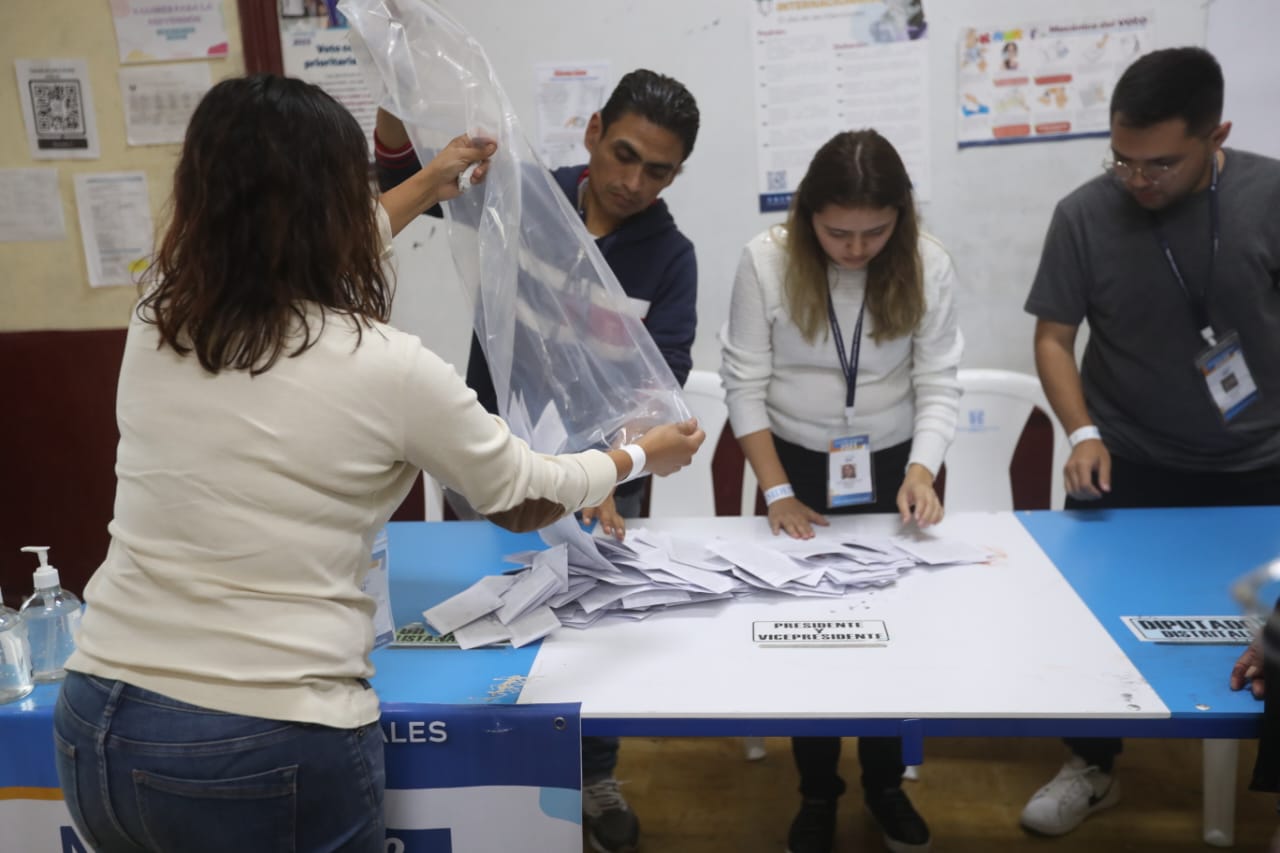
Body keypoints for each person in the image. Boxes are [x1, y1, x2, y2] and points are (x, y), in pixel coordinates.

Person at [50, 74, 704, 853]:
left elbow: (305, 238)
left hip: (94, 720)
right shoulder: (384, 367)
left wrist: (428, 181)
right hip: (267, 736)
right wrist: (635, 455)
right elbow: (525, 495)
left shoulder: (157, 312)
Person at [376, 67, 700, 853]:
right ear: (591, 131)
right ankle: (490, 769)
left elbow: (664, 379)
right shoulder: (526, 199)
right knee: (487, 619)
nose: (632, 181)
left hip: (612, 477)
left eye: (658, 171)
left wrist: (615, 467)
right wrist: (397, 84)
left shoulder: (670, 256)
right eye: (623, 154)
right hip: (491, 455)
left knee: (591, 638)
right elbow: (395, 174)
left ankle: (592, 773)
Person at [1022, 46, 1280, 836]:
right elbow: (1055, 338)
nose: (1138, 180)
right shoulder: (1083, 213)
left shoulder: (1271, 195)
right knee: (1094, 624)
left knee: (1269, 631)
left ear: (1217, 134)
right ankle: (1093, 765)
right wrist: (1083, 429)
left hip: (1259, 460)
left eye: (1161, 163)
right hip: (1124, 454)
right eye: (1123, 159)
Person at [720, 129, 963, 853]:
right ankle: (818, 791)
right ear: (806, 217)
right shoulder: (765, 262)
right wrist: (776, 493)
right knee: (812, 636)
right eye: (837, 233)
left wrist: (922, 469)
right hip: (790, 463)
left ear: (901, 219)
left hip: (892, 462)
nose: (856, 249)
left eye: (874, 232)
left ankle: (885, 784)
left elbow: (938, 380)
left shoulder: (927, 263)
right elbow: (744, 385)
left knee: (897, 632)